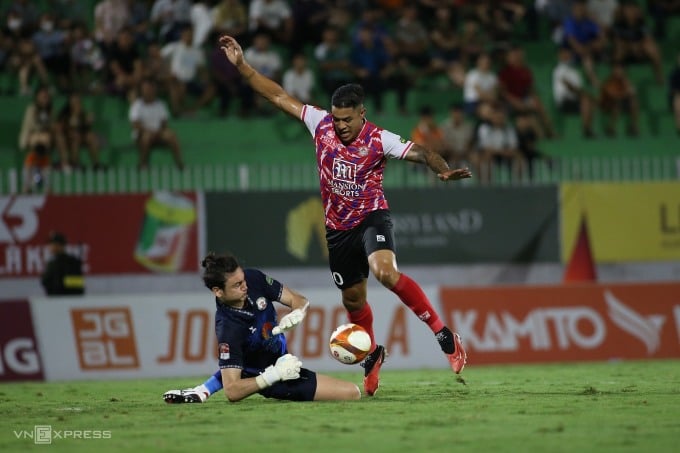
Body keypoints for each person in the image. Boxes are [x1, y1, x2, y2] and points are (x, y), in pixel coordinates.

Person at [216, 34, 470, 397]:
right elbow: (276, 95)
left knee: (384, 271)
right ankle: (371, 355)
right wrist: (242, 67)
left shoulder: (379, 139)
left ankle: (444, 335)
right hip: (337, 231)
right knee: (353, 301)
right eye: (336, 119)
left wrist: (441, 170)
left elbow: (423, 152)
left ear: (362, 113)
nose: (340, 126)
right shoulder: (318, 123)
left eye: (347, 119)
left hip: (371, 217)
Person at [163, 252, 360, 403]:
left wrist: (298, 312)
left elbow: (297, 299)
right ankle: (204, 389)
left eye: (243, 279)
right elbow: (232, 391)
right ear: (218, 291)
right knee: (353, 393)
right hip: (272, 378)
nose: (245, 286)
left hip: (280, 362)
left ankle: (203, 390)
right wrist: (274, 375)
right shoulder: (228, 328)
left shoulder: (254, 279)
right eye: (237, 284)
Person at [129, 78, 184, 170]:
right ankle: (143, 163)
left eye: (150, 89)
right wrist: (150, 132)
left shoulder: (161, 104)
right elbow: (136, 125)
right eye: (145, 89)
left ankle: (179, 163)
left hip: (158, 133)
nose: (148, 91)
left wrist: (158, 132)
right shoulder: (137, 106)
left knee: (171, 135)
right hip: (142, 134)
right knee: (146, 137)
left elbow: (164, 123)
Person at [41, 231, 85, 296]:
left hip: (70, 299)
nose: (50, 247)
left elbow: (78, 284)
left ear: (59, 245)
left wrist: (60, 284)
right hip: (53, 301)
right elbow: (45, 282)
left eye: (52, 244)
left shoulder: (72, 262)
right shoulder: (51, 263)